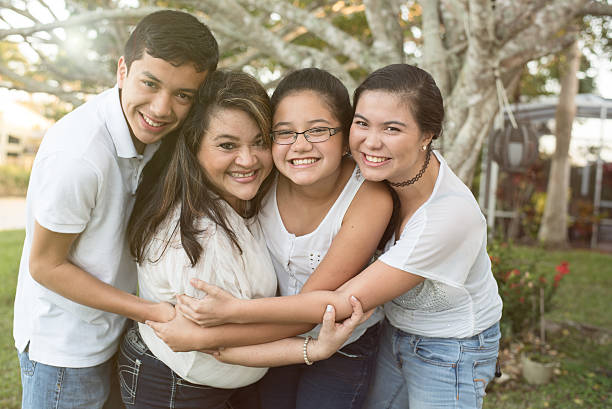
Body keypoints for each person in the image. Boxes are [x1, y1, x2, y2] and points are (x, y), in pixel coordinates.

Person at [168, 64, 503, 409]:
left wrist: (222, 324)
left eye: (392, 128)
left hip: (450, 344)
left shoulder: (446, 216)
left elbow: (339, 303)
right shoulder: (348, 174)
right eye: (362, 123)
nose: (371, 141)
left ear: (427, 135)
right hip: (390, 332)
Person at [121, 69, 373, 409]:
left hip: (218, 387)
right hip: (176, 390)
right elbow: (215, 346)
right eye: (227, 145)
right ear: (194, 146)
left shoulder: (247, 197)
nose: (248, 159)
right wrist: (313, 349)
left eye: (259, 142)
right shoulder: (198, 241)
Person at [12, 10, 218, 409]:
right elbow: (45, 266)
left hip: (111, 332)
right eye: (150, 83)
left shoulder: (154, 136)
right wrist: (150, 312)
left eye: (183, 95)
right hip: (66, 352)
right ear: (122, 69)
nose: (161, 108)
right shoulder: (80, 158)